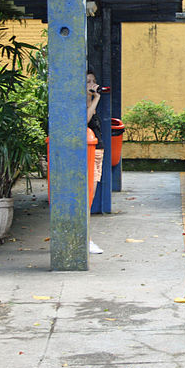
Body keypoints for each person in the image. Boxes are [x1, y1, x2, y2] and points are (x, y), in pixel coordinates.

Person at [86, 70, 104, 255]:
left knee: (91, 196)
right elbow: (86, 119)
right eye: (87, 82)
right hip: (89, 153)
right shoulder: (83, 102)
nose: (92, 85)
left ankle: (86, 237)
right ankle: (86, 239)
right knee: (87, 197)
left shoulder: (90, 101)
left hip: (98, 152)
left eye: (93, 81)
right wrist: (95, 99)